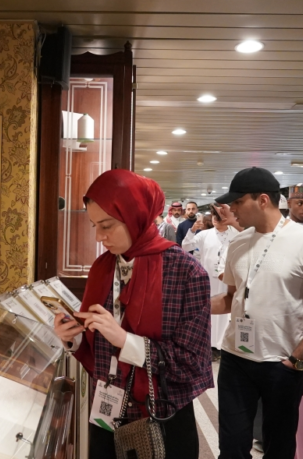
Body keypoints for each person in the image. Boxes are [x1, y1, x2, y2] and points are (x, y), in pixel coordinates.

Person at [54, 169, 214, 459]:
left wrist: (127, 341)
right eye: (94, 225)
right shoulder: (102, 268)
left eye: (107, 225)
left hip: (161, 413)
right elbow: (96, 346)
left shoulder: (185, 271)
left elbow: (193, 362)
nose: (99, 236)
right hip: (106, 409)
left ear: (136, 215)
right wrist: (73, 339)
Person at [210, 166, 303, 459]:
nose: (232, 209)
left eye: (237, 202)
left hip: (281, 363)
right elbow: (232, 299)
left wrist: (298, 360)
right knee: (232, 447)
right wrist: (193, 305)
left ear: (262, 200)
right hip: (236, 360)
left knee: (279, 447)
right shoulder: (238, 242)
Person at [183, 205, 242, 351]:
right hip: (207, 278)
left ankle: (222, 343)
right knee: (209, 308)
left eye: (218, 217)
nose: (215, 220)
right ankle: (209, 344)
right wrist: (192, 230)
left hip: (227, 279)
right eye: (213, 217)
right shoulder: (205, 234)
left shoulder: (235, 233)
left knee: (225, 311)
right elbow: (185, 246)